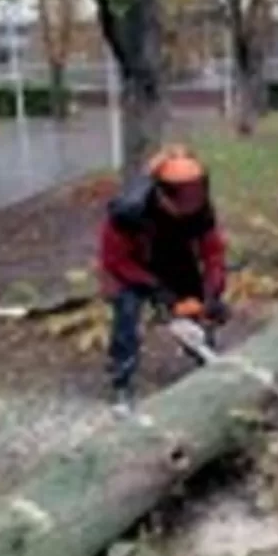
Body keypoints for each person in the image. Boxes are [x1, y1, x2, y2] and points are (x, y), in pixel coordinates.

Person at [98, 145, 228, 410]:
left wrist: (212, 293)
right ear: (162, 193)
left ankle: (205, 356)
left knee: (197, 300)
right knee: (127, 312)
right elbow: (115, 260)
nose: (190, 204)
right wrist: (157, 291)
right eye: (184, 198)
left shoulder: (200, 212)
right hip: (129, 266)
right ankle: (122, 382)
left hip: (173, 258)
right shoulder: (129, 213)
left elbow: (213, 254)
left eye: (196, 194)